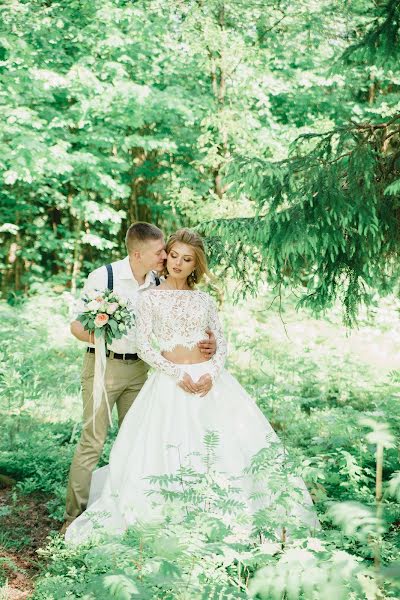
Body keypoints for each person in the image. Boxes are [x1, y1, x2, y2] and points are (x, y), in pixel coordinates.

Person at [66, 228, 318, 543]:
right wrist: (177, 373)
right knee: (124, 444)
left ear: (195, 264)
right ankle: (77, 516)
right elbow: (140, 343)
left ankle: (218, 517)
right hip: (143, 374)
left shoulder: (201, 299)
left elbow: (220, 341)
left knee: (218, 446)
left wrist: (212, 369)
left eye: (185, 259)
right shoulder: (130, 289)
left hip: (196, 379)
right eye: (170, 255)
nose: (173, 262)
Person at [61, 223, 216, 534]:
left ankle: (134, 508)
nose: (165, 257)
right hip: (104, 366)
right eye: (160, 252)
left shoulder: (158, 280)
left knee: (138, 441)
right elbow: (76, 327)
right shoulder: (103, 278)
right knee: (92, 441)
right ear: (138, 253)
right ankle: (73, 517)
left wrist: (208, 343)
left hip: (144, 371)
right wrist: (104, 330)